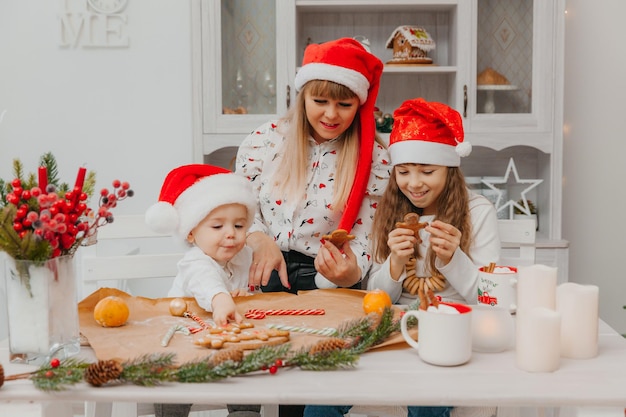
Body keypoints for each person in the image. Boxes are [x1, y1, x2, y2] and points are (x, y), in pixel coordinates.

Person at [304, 98, 501, 417]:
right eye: (404, 172)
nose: (414, 183)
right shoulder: (390, 210)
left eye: (427, 171)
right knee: (324, 393)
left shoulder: (478, 213)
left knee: (426, 399)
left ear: (450, 170)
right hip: (393, 329)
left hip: (449, 331)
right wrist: (395, 262)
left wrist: (453, 260)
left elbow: (490, 298)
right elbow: (379, 297)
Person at [235, 37, 389, 417]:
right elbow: (238, 205)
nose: (331, 114)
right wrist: (258, 238)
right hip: (259, 273)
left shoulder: (377, 159)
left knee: (302, 393)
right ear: (302, 96)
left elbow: (370, 236)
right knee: (243, 372)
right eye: (320, 101)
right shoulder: (265, 140)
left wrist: (352, 271)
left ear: (361, 103)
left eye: (344, 103)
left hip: (323, 286)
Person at [145, 164, 262, 417]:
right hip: (182, 339)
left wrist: (246, 296)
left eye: (239, 226)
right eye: (217, 227)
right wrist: (221, 299)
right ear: (190, 233)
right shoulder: (194, 260)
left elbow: (249, 293)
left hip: (224, 341)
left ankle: (245, 412)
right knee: (172, 376)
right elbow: (206, 281)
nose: (231, 234)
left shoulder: (244, 257)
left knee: (247, 367)